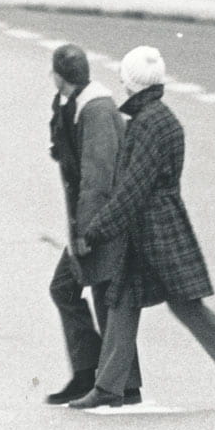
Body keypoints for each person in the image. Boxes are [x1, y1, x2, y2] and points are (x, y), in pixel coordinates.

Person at [71, 46, 215, 409]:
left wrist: (95, 231)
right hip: (158, 228)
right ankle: (109, 386)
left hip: (155, 234)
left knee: (177, 305)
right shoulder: (162, 119)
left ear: (131, 82)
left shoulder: (148, 125)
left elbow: (132, 190)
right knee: (126, 301)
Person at [44, 44, 142, 406]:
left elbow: (97, 179)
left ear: (59, 75)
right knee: (81, 291)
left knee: (99, 294)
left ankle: (117, 382)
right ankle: (97, 374)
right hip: (90, 221)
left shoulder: (96, 110)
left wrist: (86, 232)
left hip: (102, 222)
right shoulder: (72, 104)